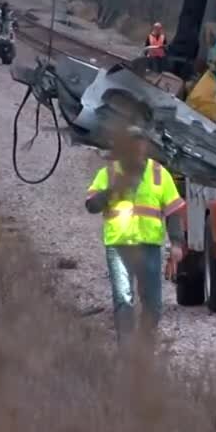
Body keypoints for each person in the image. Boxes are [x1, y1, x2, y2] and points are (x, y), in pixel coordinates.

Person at [84, 126, 185, 343]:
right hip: (119, 246)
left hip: (149, 247)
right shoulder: (108, 173)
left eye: (140, 143)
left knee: (154, 305)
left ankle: (144, 350)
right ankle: (127, 352)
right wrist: (113, 190)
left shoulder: (159, 174)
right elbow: (91, 205)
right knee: (123, 300)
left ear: (145, 146)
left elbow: (174, 212)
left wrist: (176, 243)